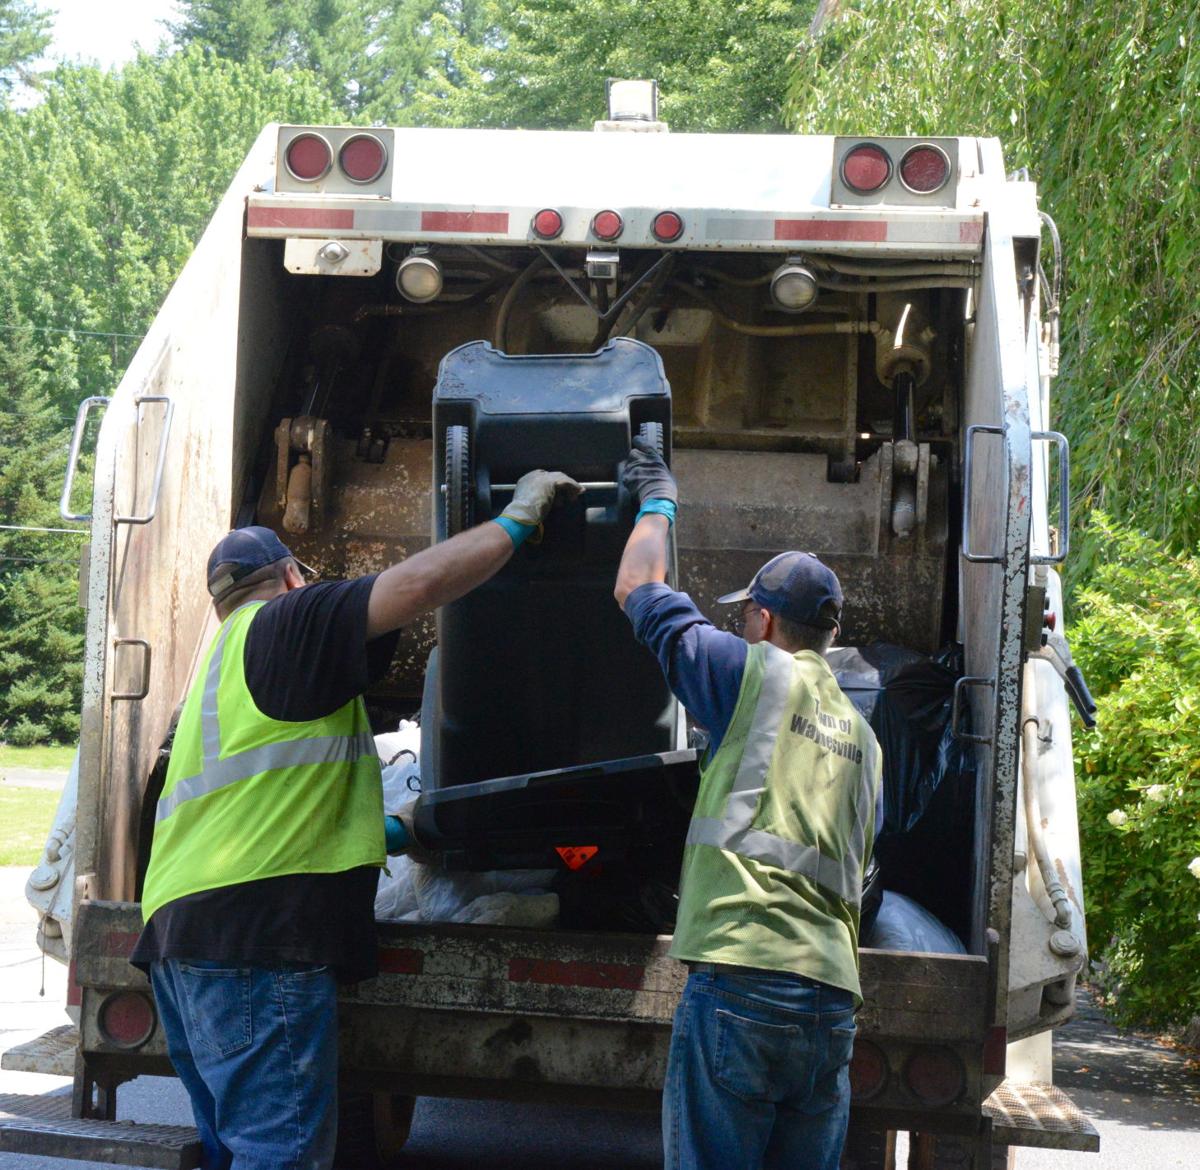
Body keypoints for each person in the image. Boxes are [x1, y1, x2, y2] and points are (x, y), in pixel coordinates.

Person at [132, 468, 580, 1170]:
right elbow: (418, 586)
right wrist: (517, 521)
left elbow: (270, 807)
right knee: (280, 1155)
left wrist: (401, 832)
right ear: (289, 578)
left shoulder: (222, 664)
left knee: (233, 1151)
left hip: (181, 938)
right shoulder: (285, 620)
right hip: (258, 937)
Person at [613, 440, 881, 1170]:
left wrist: (658, 498)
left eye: (744, 616)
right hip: (829, 1000)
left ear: (762, 621)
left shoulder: (746, 674)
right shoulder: (864, 737)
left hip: (743, 981)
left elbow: (635, 586)